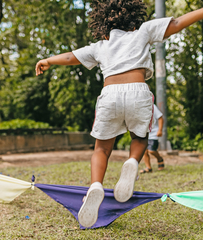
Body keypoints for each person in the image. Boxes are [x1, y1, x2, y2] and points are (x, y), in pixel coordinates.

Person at [35, 0, 203, 228]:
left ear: (103, 25)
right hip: (138, 92)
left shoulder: (101, 46)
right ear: (134, 19)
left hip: (110, 94)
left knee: (102, 148)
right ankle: (133, 161)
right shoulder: (143, 31)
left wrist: (47, 60)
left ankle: (96, 185)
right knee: (140, 138)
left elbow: (70, 57)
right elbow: (175, 23)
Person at [140, 104, 164, 173]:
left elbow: (160, 117)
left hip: (153, 133)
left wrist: (160, 130)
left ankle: (159, 158)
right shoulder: (137, 107)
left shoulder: (152, 106)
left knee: (152, 151)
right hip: (143, 133)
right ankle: (148, 167)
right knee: (144, 151)